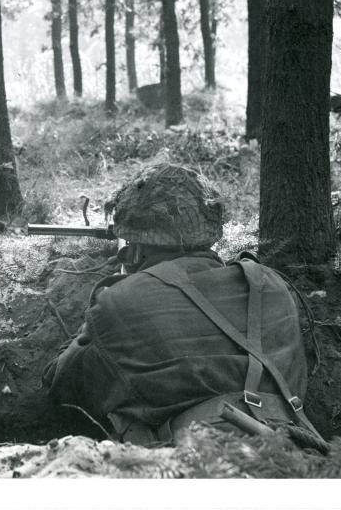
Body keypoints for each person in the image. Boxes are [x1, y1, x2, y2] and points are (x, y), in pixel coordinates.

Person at [43, 163, 323, 447]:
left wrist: (100, 316)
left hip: (193, 462)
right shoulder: (268, 283)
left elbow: (60, 385)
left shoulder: (120, 301)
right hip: (296, 447)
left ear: (136, 246)